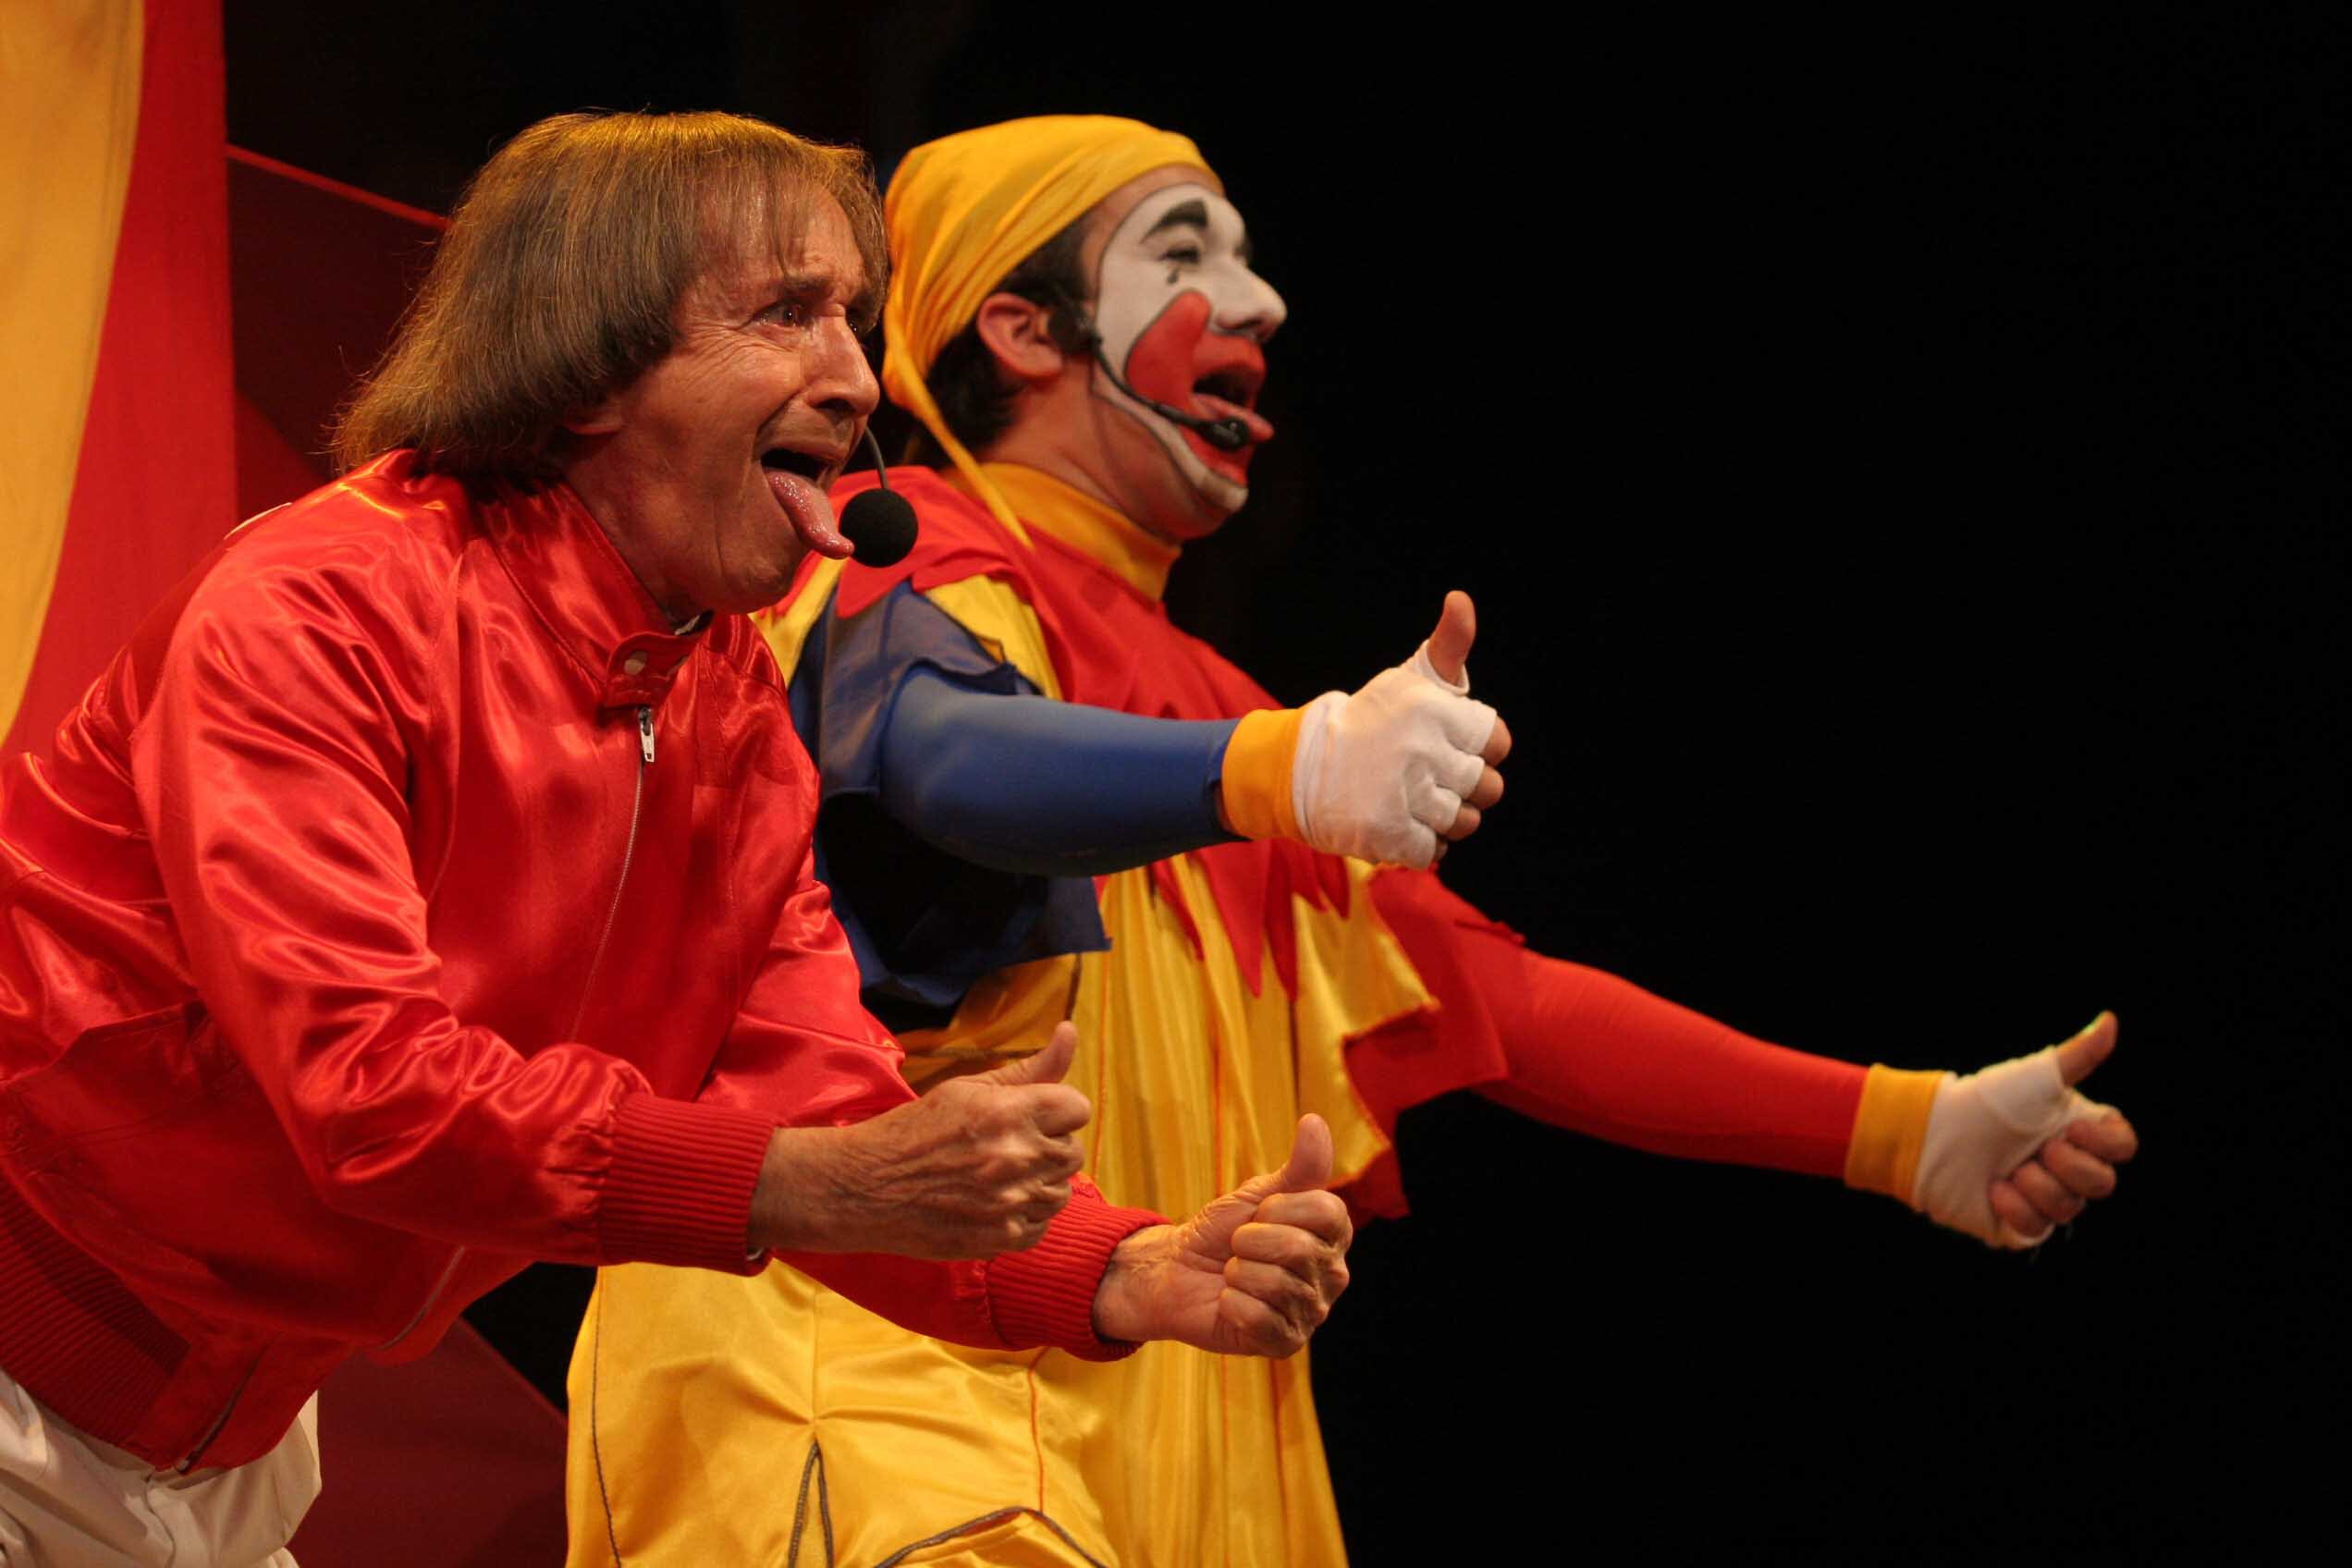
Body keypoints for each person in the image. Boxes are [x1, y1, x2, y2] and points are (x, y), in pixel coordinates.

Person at [566, 116, 2141, 1566]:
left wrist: (1898, 1129)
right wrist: (1286, 763)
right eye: (1183, 257)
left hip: (1146, 1410)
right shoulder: (908, 568)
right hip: (881, 1389)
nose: (1257, 304)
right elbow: (942, 756)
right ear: (1024, 328)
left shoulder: (1211, 708)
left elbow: (1504, 1008)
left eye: (1246, 259)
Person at [0, 111, 1356, 1568]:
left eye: (855, 317)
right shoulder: (322, 606)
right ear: (588, 368)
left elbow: (836, 1112)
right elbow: (374, 1092)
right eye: (785, 314)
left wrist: (1124, 1268)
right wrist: (803, 1185)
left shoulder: (729, 717)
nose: (853, 378)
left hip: (218, 1458)